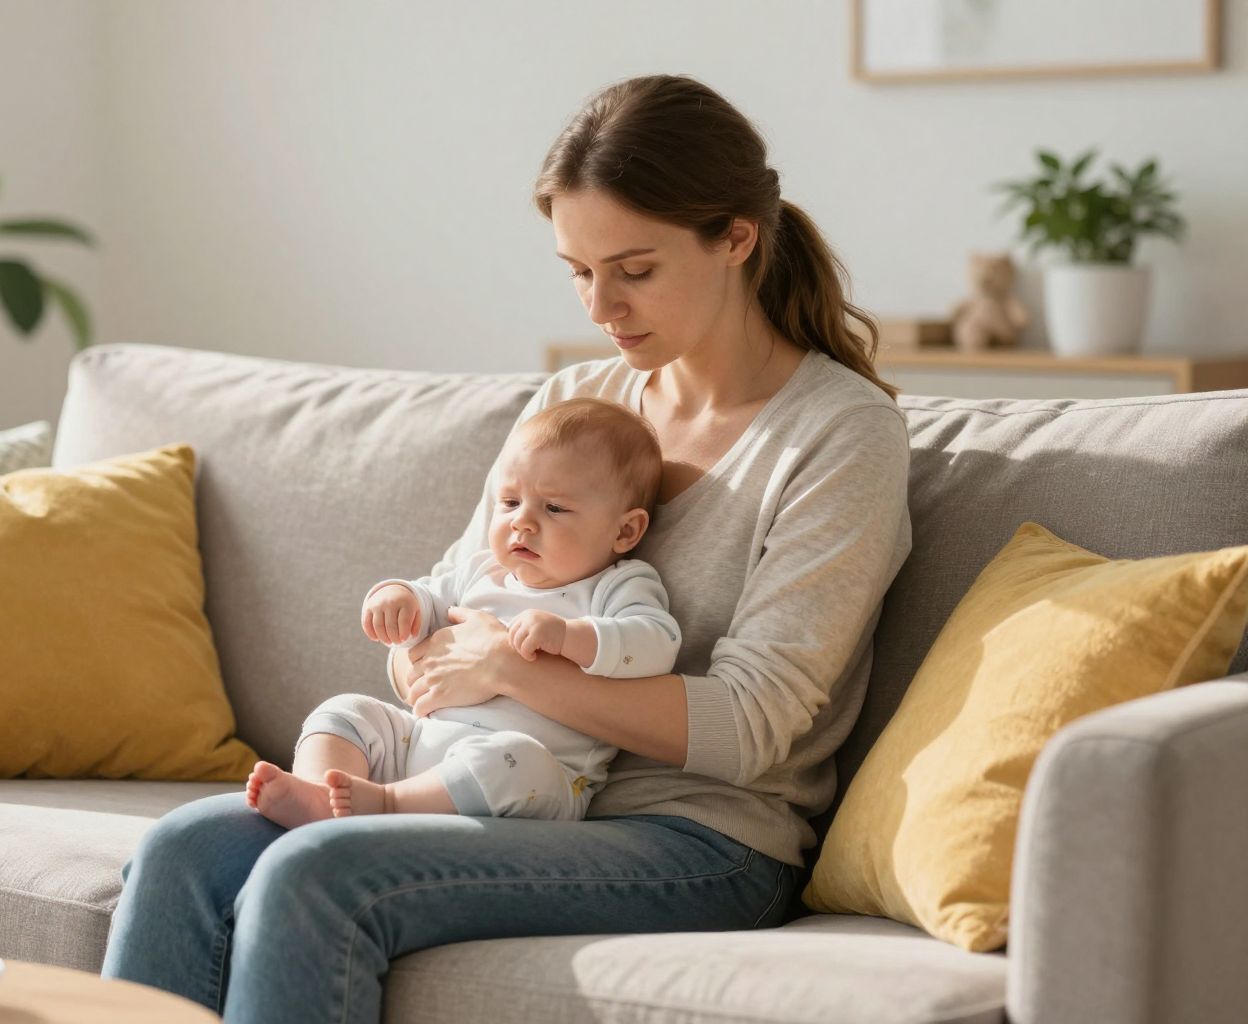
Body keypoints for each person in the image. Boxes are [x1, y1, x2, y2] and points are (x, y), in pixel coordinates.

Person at [101, 73, 913, 1023]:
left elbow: (747, 729)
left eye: (635, 269)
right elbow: (453, 622)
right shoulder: (574, 405)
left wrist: (514, 675)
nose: (602, 305)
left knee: (322, 872)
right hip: (490, 790)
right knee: (182, 853)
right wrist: (421, 646)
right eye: (579, 270)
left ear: (737, 238)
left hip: (701, 840)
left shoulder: (839, 434)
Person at [246, 398, 681, 828]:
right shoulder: (482, 570)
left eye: (553, 508)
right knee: (346, 710)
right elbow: (426, 598)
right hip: (419, 743)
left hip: (534, 776)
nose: (521, 523)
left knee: (513, 758)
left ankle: (388, 805)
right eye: (510, 502)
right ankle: (319, 796)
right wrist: (396, 597)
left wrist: (570, 636)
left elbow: (656, 644)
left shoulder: (618, 585)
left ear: (625, 530)